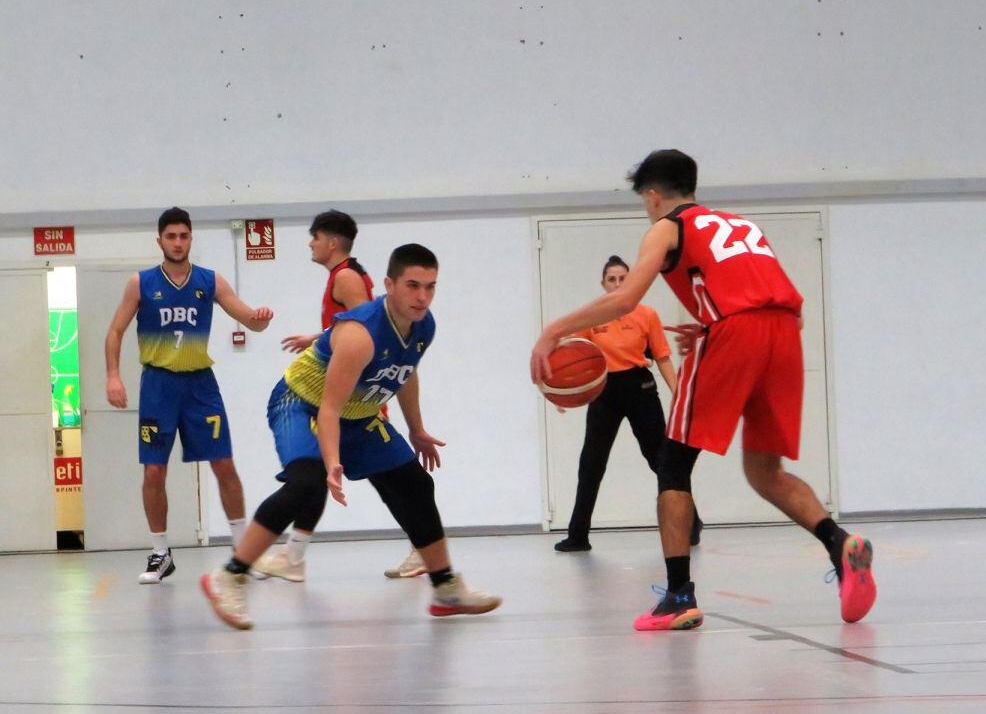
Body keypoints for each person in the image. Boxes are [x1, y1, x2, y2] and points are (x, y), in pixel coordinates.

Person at [531, 150, 876, 630]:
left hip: (735, 335)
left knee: (673, 465)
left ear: (653, 196)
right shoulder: (740, 225)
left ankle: (678, 597)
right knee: (764, 470)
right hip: (783, 336)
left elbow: (626, 298)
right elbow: (783, 307)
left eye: (645, 202)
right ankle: (840, 543)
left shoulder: (667, 225)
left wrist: (553, 330)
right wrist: (717, 324)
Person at [201, 244, 501, 630]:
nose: (422, 296)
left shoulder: (424, 325)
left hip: (358, 413)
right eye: (413, 285)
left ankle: (446, 589)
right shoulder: (360, 334)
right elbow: (328, 409)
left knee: (414, 483)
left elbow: (404, 374)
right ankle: (230, 575)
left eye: (430, 286)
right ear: (389, 285)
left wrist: (416, 429)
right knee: (306, 483)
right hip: (303, 402)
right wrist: (331, 463)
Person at [105, 207, 274, 584]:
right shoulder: (141, 282)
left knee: (223, 464)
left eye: (184, 236)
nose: (178, 242)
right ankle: (160, 552)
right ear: (160, 240)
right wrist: (113, 376)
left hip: (200, 385)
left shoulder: (210, 281)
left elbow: (246, 317)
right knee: (153, 470)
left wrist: (258, 319)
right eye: (171, 236)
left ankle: (242, 552)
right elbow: (115, 332)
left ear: (191, 239)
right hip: (158, 386)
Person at [252, 210, 420, 583]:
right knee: (320, 471)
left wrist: (373, 398)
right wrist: (316, 338)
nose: (310, 244)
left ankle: (422, 547)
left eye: (314, 238)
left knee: (379, 477)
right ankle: (294, 555)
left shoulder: (344, 277)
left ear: (330, 242)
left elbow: (368, 331)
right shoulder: (344, 275)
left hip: (358, 397)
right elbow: (352, 328)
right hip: (349, 392)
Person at [554, 255, 703, 552]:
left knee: (662, 461)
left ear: (631, 282)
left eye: (623, 278)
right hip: (605, 392)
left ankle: (691, 523)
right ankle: (578, 535)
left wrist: (678, 393)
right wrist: (560, 395)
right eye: (612, 279)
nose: (618, 284)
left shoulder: (646, 314)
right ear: (603, 284)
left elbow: (662, 356)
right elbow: (569, 354)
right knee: (591, 464)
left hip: (640, 388)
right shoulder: (593, 315)